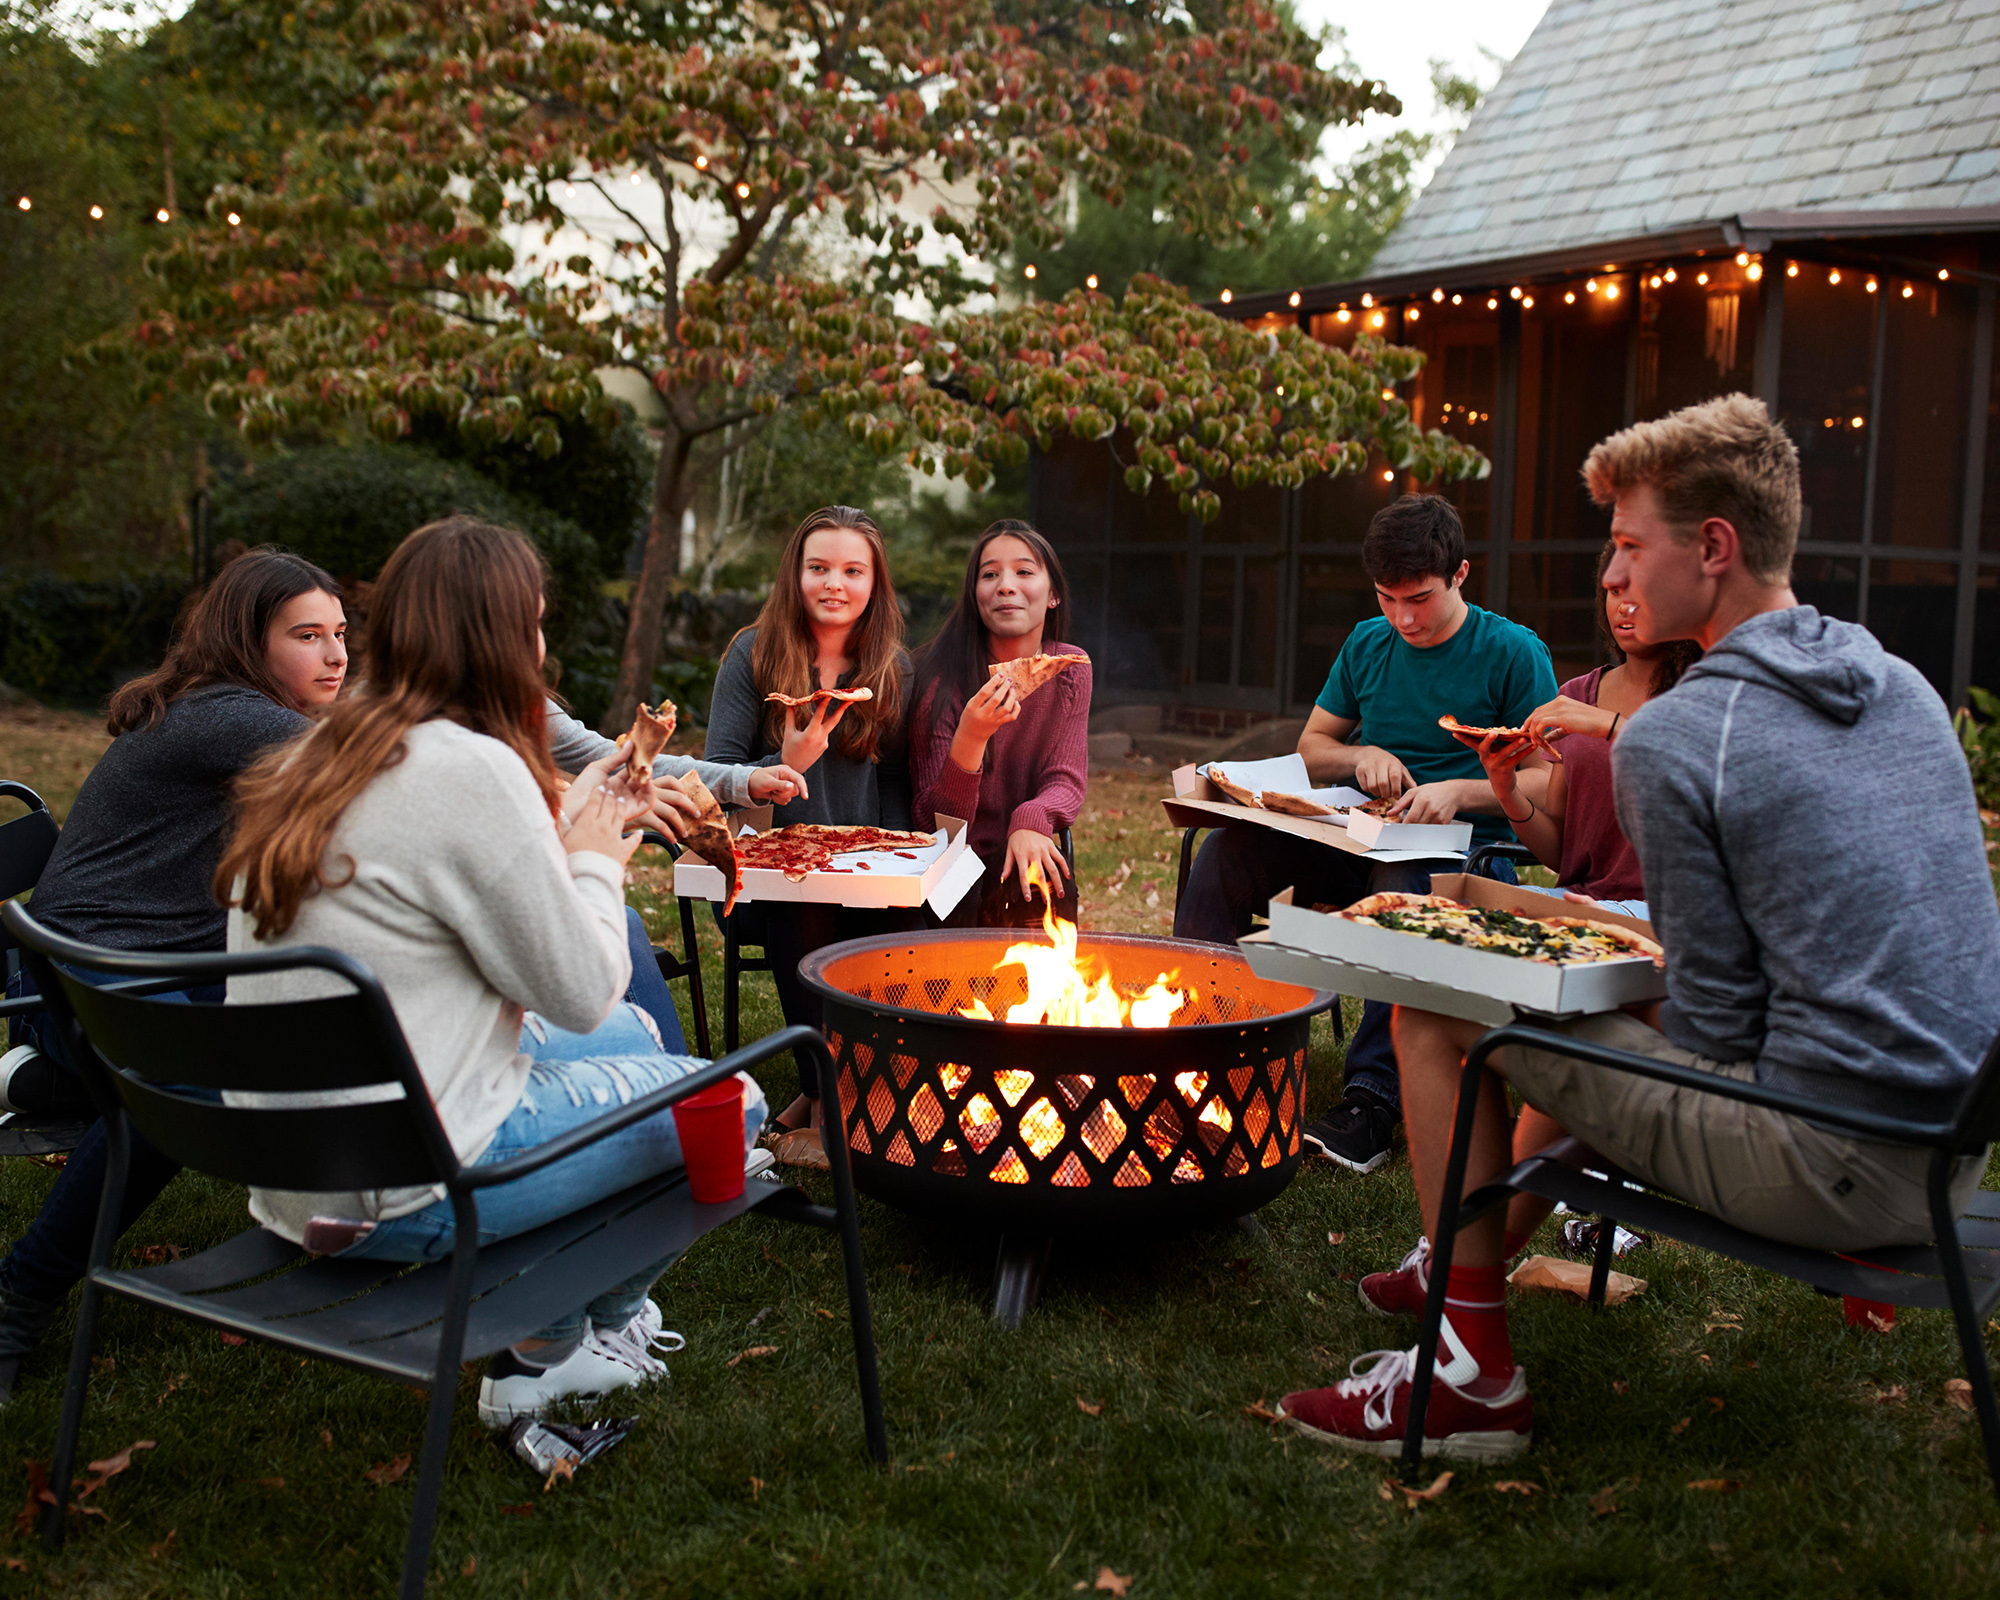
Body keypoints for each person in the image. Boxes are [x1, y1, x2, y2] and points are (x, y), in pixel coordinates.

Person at [1276, 393, 2000, 1462]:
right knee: (1541, 1005)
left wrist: (1520, 943)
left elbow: (1702, 1030)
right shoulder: (1894, 687)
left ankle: (1470, 1374)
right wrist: (1551, 919)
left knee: (1439, 999)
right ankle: (1451, 1262)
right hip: (1952, 1157)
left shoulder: (1678, 736)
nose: (1608, 577)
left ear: (1710, 548)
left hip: (1829, 1166)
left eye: (1625, 546)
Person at [218, 517, 767, 1426]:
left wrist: (577, 821)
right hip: (406, 1185)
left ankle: (552, 1341)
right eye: (538, 623)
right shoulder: (470, 768)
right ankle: (561, 1347)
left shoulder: (318, 753)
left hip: (298, 1165)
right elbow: (584, 986)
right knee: (731, 1102)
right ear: (510, 638)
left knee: (634, 1037)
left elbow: (453, 913)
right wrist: (598, 852)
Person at [0, 549, 349, 1404]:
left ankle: (44, 1085)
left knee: (319, 1009)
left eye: (342, 634)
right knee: (192, 1081)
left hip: (166, 966)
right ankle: (18, 1297)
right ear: (246, 641)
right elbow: (390, 776)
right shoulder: (230, 717)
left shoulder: (250, 714)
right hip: (86, 980)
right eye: (308, 636)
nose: (337, 655)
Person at [1357, 542, 1702, 1313]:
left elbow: (1711, 770)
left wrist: (1605, 725)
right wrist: (1508, 787)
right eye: (1611, 589)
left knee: (1535, 1039)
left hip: (1667, 922)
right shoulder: (1580, 690)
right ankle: (1457, 1259)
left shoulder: (1702, 700)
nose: (1621, 604)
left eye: (1638, 589)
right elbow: (1562, 850)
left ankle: (1452, 1262)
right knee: (1453, 989)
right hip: (1579, 909)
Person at [1174, 494, 1558, 1173]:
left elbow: (1546, 785)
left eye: (1421, 598)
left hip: (1467, 860)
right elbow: (1315, 742)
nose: (1404, 617)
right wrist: (1359, 757)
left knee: (1400, 881)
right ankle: (1201, 1053)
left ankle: (1373, 1103)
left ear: (1461, 575)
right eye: (1388, 598)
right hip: (1363, 840)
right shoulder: (1368, 642)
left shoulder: (1512, 653)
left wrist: (1461, 792)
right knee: (1224, 856)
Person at [701, 505, 913, 1168]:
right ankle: (830, 1110)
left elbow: (901, 792)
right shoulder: (753, 653)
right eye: (818, 567)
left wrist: (901, 862)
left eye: (853, 570)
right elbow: (714, 778)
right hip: (764, 881)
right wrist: (784, 766)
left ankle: (825, 1094)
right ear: (795, 573)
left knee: (898, 918)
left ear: (875, 584)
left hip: (865, 875)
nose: (834, 583)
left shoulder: (891, 668)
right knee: (804, 899)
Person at [542, 702, 808, 1053]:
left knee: (626, 924)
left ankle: (678, 1082)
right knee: (624, 924)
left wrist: (745, 781)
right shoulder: (467, 750)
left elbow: (619, 761)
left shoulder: (522, 704)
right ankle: (678, 1085)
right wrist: (590, 844)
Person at [909, 519, 1089, 926]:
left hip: (1021, 847)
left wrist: (1030, 819)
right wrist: (972, 736)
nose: (1006, 585)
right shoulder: (939, 678)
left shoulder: (1071, 670)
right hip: (947, 860)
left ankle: (1042, 990)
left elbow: (1066, 778)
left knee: (1046, 882)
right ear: (975, 596)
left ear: (1053, 594)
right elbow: (934, 824)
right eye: (990, 574)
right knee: (959, 888)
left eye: (1024, 572)